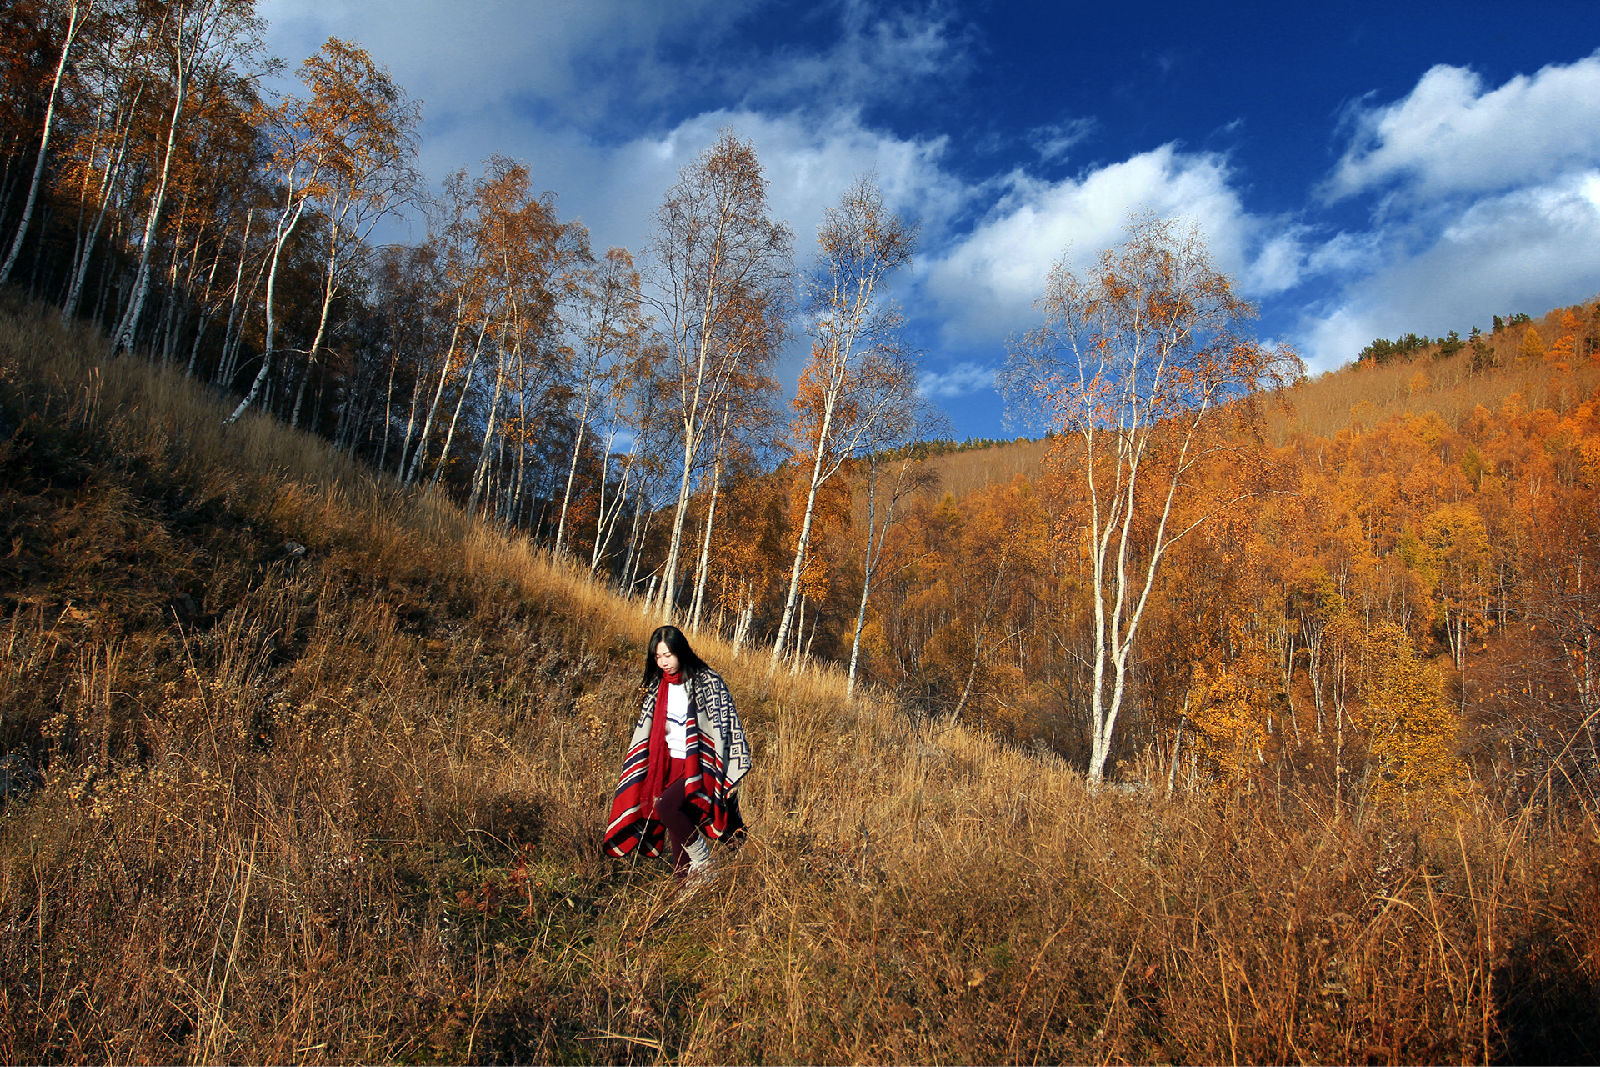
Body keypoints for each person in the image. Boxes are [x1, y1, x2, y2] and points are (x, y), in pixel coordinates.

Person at [603, 625, 750, 878]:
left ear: (681, 651)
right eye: (658, 657)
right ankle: (684, 888)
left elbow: (727, 726)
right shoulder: (658, 687)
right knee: (679, 825)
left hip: (701, 764)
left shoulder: (707, 682)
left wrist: (729, 772)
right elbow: (647, 730)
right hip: (669, 763)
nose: (663, 663)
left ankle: (704, 862)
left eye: (668, 655)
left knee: (666, 808)